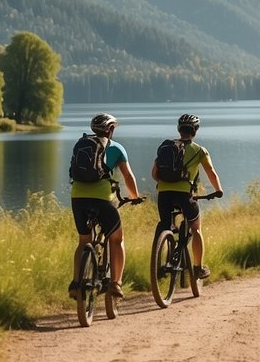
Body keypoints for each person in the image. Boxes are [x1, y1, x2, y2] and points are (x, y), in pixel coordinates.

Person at [70, 112, 142, 299]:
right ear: (110, 130)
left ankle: (76, 283)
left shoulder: (81, 145)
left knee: (83, 241)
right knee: (117, 238)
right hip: (102, 199)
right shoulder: (117, 148)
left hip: (77, 197)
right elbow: (128, 176)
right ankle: (116, 283)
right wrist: (134, 197)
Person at [152, 113, 223, 280]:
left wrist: (166, 183)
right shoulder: (199, 150)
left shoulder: (165, 147)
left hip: (164, 194)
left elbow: (154, 174)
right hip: (184, 195)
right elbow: (211, 173)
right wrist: (218, 190)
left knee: (165, 224)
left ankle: (159, 258)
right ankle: (198, 268)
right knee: (196, 228)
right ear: (195, 130)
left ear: (179, 129)